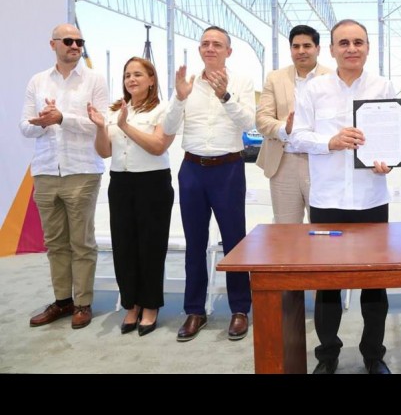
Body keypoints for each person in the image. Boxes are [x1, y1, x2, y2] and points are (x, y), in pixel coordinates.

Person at [291, 19, 395, 374]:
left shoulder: (383, 87)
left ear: (368, 47)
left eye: (358, 42)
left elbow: (393, 138)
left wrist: (389, 161)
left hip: (371, 199)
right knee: (328, 284)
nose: (352, 49)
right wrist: (330, 142)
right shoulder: (314, 89)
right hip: (328, 201)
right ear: (332, 49)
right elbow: (296, 137)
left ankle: (373, 355)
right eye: (344, 43)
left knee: (375, 284)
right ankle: (327, 355)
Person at [162, 26, 255, 342]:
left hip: (228, 169)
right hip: (192, 170)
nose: (210, 48)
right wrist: (179, 98)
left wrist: (225, 96)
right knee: (195, 242)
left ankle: (240, 309)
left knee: (235, 242)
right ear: (200, 50)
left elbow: (249, 123)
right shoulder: (186, 84)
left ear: (229, 51)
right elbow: (168, 127)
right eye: (205, 44)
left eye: (217, 44)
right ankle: (195, 311)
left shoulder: (241, 82)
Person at [20, 23, 109, 330]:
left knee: (82, 242)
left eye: (79, 41)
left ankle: (83, 303)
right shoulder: (38, 81)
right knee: (55, 243)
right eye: (69, 41)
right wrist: (43, 122)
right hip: (45, 171)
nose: (75, 46)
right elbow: (24, 126)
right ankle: (62, 301)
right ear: (53, 44)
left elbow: (99, 124)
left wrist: (62, 118)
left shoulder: (94, 80)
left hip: (82, 170)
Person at [88, 57, 175, 336]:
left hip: (152, 183)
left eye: (138, 74)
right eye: (127, 75)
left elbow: (158, 146)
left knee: (150, 247)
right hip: (121, 183)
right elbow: (104, 151)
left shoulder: (163, 109)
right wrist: (101, 127)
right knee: (124, 246)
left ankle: (150, 305)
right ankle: (131, 304)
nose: (131, 79)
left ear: (151, 79)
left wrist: (125, 126)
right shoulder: (115, 110)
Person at [255, 25, 331, 223]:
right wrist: (284, 129)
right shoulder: (275, 78)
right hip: (283, 162)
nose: (301, 51)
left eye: (307, 46)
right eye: (296, 46)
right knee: (285, 228)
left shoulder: (333, 78)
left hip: (321, 161)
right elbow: (262, 119)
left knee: (323, 227)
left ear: (318, 49)